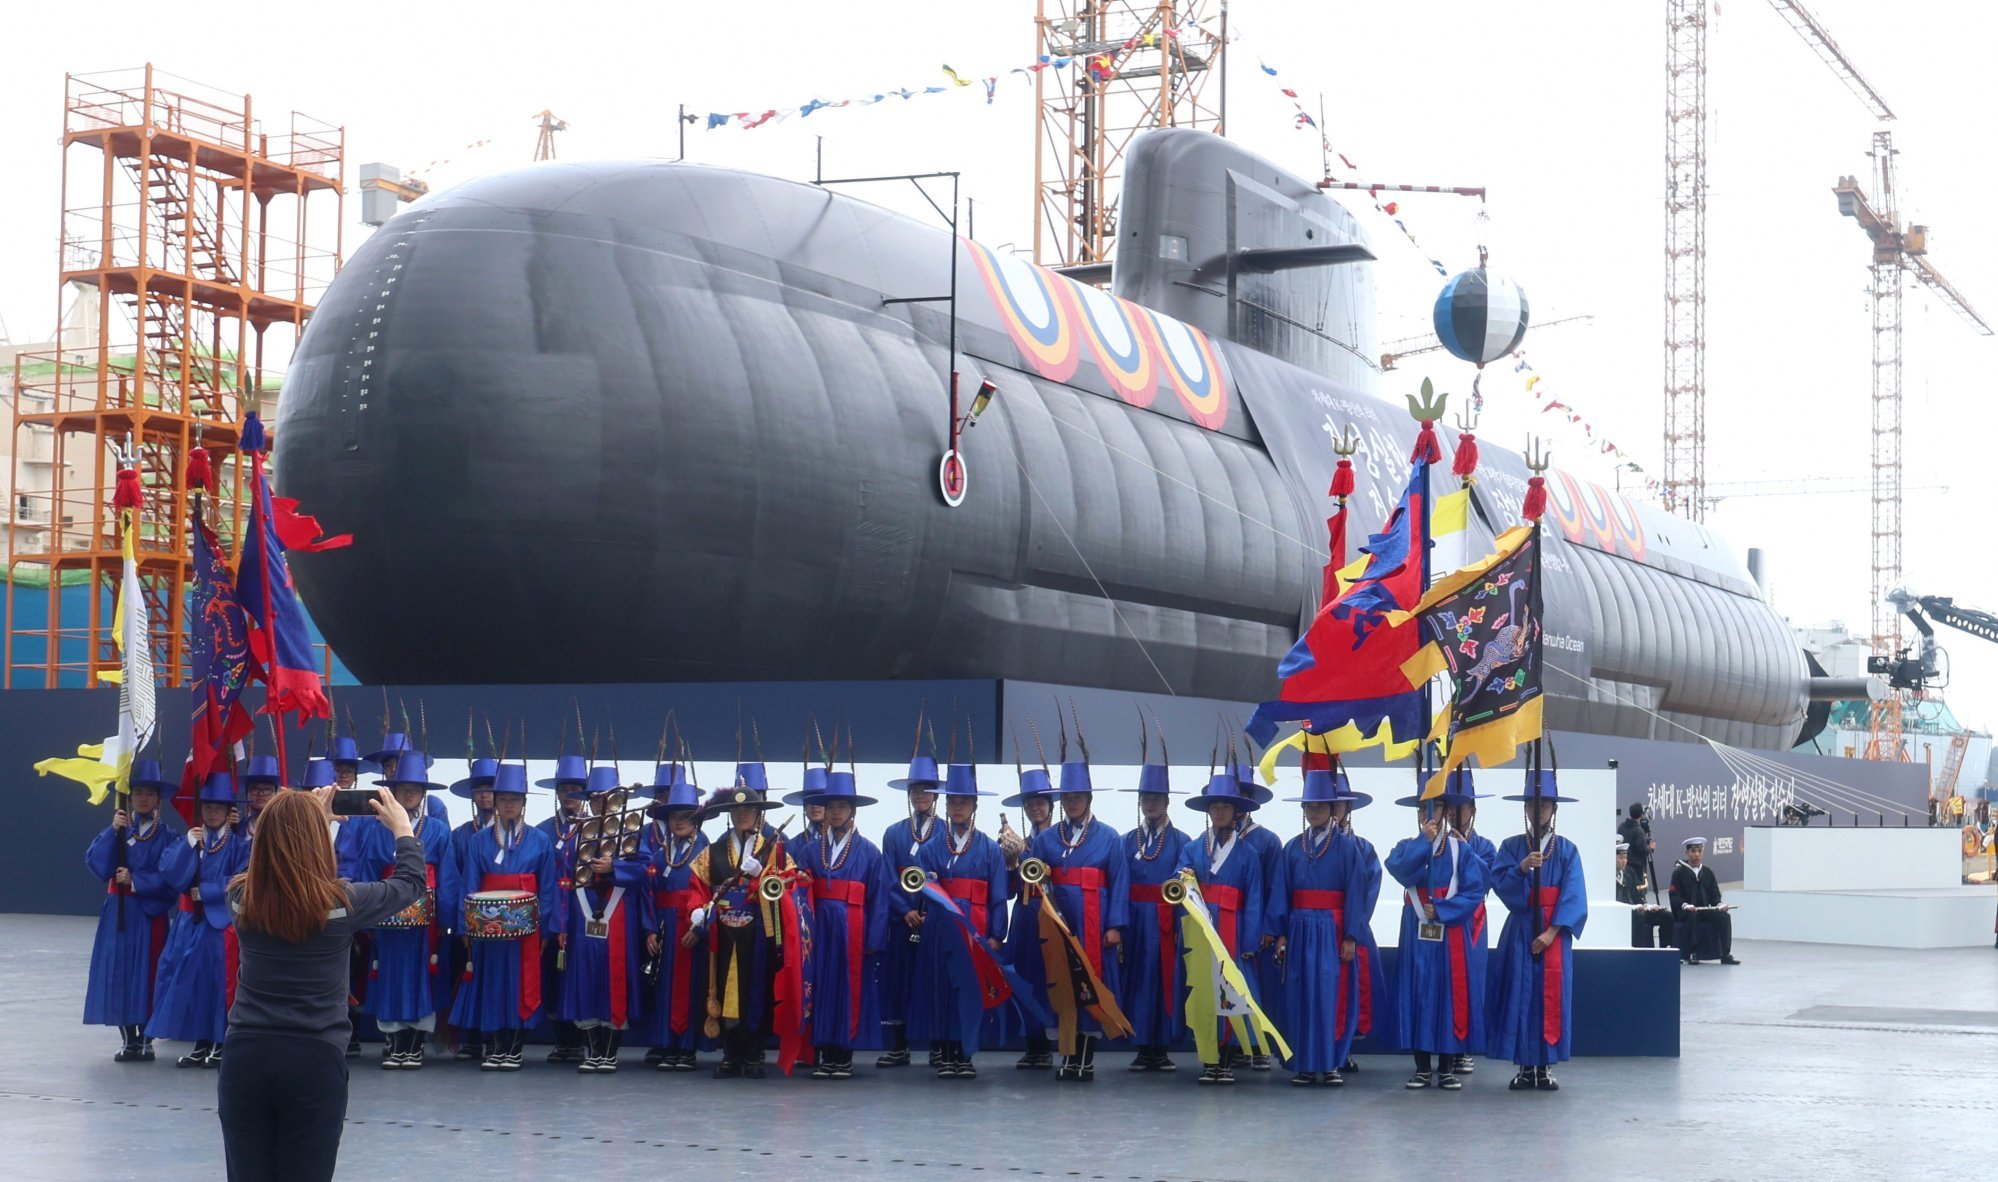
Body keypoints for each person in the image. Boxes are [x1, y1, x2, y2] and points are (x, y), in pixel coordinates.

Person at [218, 783, 424, 1182]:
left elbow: (266, 865)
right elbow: (410, 884)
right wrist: (402, 829)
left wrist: (305, 817)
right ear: (319, 840)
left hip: (245, 1058)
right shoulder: (344, 904)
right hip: (313, 1063)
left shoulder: (240, 898)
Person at [1270, 756, 1384, 1088]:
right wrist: (1279, 934)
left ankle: (1332, 1062)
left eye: (1321, 805)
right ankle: (1304, 1064)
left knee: (1333, 995)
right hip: (1300, 928)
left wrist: (1351, 935)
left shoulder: (1349, 849)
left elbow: (1356, 893)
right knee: (1301, 994)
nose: (1314, 811)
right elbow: (1281, 892)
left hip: (1334, 931)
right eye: (1310, 805)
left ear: (1333, 808)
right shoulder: (1292, 848)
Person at [448, 761, 565, 1070]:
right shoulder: (478, 841)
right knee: (491, 983)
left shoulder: (540, 841)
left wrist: (547, 930)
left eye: (515, 799)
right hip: (487, 926)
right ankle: (495, 1046)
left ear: (523, 803)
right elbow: (468, 883)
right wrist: (465, 927)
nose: (509, 804)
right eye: (503, 799)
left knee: (519, 984)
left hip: (526, 929)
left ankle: (514, 1047)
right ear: (495, 802)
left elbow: (549, 888)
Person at [1026, 730, 1129, 1082]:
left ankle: (1085, 1058)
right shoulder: (1046, 838)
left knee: (1091, 985)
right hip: (1058, 924)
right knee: (1062, 985)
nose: (1072, 802)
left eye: (1077, 796)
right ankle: (1065, 1057)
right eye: (1066, 796)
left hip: (1093, 923)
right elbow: (1034, 879)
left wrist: (1114, 926)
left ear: (1088, 798)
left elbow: (1119, 884)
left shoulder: (1110, 838)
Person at [359, 751, 462, 1070]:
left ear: (423, 794)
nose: (409, 795)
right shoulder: (375, 829)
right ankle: (393, 1042)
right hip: (386, 917)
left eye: (415, 790)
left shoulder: (438, 830)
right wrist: (366, 914)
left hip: (425, 924)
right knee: (387, 975)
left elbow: (447, 877)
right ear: (393, 790)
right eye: (403, 789)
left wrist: (446, 920)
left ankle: (414, 1043)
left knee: (422, 977)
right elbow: (367, 872)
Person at [1487, 768, 1588, 1091]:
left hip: (1553, 934)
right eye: (1532, 804)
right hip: (1520, 929)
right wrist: (1520, 868)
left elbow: (1574, 895)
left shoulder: (1568, 850)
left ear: (1553, 810)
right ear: (1525, 809)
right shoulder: (1512, 846)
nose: (1538, 810)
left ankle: (1544, 1067)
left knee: (1549, 998)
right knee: (1521, 995)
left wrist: (1552, 932)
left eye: (1544, 805)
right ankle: (1524, 1066)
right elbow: (1500, 884)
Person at [1385, 787, 1492, 1091]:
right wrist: (1424, 841)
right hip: (1417, 928)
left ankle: (1446, 1066)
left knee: (1448, 993)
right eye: (1422, 811)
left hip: (1449, 928)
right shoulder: (1408, 846)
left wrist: (1444, 909)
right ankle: (1421, 1066)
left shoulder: (1461, 851)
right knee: (1418, 992)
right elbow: (1400, 871)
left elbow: (1474, 892)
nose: (1427, 816)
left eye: (1433, 809)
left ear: (1445, 812)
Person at [909, 756, 1009, 1078]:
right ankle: (948, 1052)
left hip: (975, 931)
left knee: (970, 990)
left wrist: (996, 934)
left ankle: (966, 1055)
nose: (958, 807)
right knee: (943, 990)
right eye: (953, 801)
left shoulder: (990, 849)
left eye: (964, 801)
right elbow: (920, 889)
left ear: (975, 805)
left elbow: (998, 897)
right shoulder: (931, 847)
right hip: (940, 928)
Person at [684, 785, 793, 1078]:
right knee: (720, 986)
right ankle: (730, 1053)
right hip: (722, 932)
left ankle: (755, 1051)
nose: (742, 815)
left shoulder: (775, 848)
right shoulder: (714, 851)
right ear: (730, 814)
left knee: (756, 988)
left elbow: (791, 884)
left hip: (758, 933)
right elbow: (698, 889)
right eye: (737, 810)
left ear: (758, 814)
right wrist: (696, 910)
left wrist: (765, 875)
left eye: (748, 810)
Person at [147, 771, 250, 1068]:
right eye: (207, 807)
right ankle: (199, 1042)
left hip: (219, 926)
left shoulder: (239, 846)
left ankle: (220, 1043)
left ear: (229, 811)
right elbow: (170, 873)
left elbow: (242, 880)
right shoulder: (190, 840)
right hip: (187, 923)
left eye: (219, 807)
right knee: (191, 984)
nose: (212, 813)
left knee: (219, 984)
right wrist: (188, 845)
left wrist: (206, 892)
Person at [84, 759, 183, 1063]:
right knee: (121, 973)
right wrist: (112, 832)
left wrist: (137, 881)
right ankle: (129, 1039)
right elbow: (96, 862)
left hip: (148, 913)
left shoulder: (168, 836)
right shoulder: (117, 830)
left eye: (149, 793)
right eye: (137, 792)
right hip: (119, 911)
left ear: (157, 799)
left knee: (151, 972)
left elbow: (172, 875)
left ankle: (147, 1038)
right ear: (129, 798)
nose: (143, 798)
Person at [795, 766, 889, 1079]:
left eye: (842, 806)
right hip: (820, 928)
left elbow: (879, 898)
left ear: (852, 811)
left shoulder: (870, 852)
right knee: (820, 987)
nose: (835, 812)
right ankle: (823, 1051)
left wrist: (874, 940)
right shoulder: (809, 851)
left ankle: (843, 1054)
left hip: (853, 928)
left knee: (848, 988)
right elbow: (801, 894)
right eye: (831, 806)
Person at [1174, 767, 1266, 1085]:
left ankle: (1225, 1059)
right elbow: (1177, 884)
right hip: (1202, 929)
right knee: (1203, 992)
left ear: (1236, 811)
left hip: (1232, 928)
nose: (1220, 811)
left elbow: (1254, 898)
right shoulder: (1192, 848)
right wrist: (1182, 878)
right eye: (1214, 806)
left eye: (1225, 806)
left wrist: (1250, 940)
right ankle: (1208, 1060)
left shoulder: (1248, 854)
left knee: (1228, 993)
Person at [556, 763, 650, 1074]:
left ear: (619, 802)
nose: (602, 804)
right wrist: (561, 922)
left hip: (618, 913)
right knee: (584, 976)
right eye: (596, 799)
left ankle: (609, 1052)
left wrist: (614, 868)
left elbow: (644, 872)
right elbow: (562, 879)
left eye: (608, 799)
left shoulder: (633, 835)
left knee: (613, 977)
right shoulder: (574, 835)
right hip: (581, 916)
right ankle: (591, 1051)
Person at [878, 727, 948, 1068]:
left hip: (935, 922)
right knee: (899, 980)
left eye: (927, 790)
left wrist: (930, 912)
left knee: (935, 982)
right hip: (902, 922)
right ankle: (898, 1045)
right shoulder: (893, 833)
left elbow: (949, 880)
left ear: (936, 795)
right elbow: (887, 877)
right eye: (916, 789)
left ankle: (938, 1044)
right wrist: (905, 910)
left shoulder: (948, 833)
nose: (921, 795)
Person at [1121, 733, 1190, 1073]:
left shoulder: (1183, 842)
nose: (1151, 803)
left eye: (1156, 797)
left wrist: (1179, 924)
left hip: (1166, 924)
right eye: (1145, 797)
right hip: (1134, 920)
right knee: (1137, 981)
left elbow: (1186, 885)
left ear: (1166, 801)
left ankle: (1160, 1047)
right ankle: (1141, 1046)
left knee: (1164, 982)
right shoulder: (1125, 841)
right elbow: (1118, 885)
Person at [639, 761, 709, 1071]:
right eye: (673, 816)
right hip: (666, 926)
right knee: (664, 986)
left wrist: (701, 927)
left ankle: (687, 1048)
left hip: (691, 928)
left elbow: (712, 895)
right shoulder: (658, 855)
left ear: (697, 820)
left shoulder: (708, 853)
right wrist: (650, 929)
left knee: (690, 987)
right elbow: (648, 894)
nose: (679, 822)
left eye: (685, 816)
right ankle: (666, 1044)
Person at [997, 737, 1058, 1068]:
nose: (1036, 808)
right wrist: (1008, 861)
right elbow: (1007, 891)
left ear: (1051, 805)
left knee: (1051, 978)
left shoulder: (1061, 839)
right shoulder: (1018, 840)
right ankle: (1033, 1043)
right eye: (1030, 804)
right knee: (1025, 979)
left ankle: (1050, 1043)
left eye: (1041, 803)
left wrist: (1023, 852)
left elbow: (1055, 879)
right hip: (1023, 916)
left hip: (1049, 915)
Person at [534, 752, 592, 1064]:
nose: (569, 795)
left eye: (575, 789)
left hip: (586, 913)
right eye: (563, 789)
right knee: (553, 975)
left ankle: (585, 1041)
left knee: (581, 974)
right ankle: (563, 1042)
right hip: (551, 911)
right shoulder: (542, 831)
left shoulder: (598, 830)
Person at [1439, 769, 1496, 1079]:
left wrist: (1467, 850)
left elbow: (1488, 879)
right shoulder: (1438, 843)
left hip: (1472, 922)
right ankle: (1446, 1044)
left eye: (1462, 807)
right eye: (1451, 807)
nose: (1456, 814)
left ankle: (1465, 1048)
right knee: (1445, 984)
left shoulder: (1484, 845)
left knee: (1471, 982)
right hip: (1444, 922)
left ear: (1473, 809)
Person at [1230, 772, 1285, 1070]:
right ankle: (1235, 1042)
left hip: (1257, 924)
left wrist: (1269, 928)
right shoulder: (1214, 840)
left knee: (1258, 986)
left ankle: (1259, 1045)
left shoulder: (1267, 840)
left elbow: (1277, 887)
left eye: (1244, 797)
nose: (1239, 804)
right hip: (1227, 921)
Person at [1670, 837, 1739, 965]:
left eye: (1700, 851)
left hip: (1704, 910)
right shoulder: (1679, 873)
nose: (1697, 855)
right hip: (1686, 911)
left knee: (1724, 917)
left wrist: (1720, 905)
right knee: (1692, 916)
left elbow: (1715, 895)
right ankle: (1693, 952)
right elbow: (1674, 896)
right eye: (1693, 851)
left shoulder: (1708, 872)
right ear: (1687, 853)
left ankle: (1725, 954)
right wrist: (1685, 905)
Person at [1618, 842, 1671, 948]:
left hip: (1637, 909)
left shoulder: (1629, 873)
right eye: (1621, 858)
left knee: (1666, 915)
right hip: (1623, 913)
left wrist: (1649, 906)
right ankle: (1643, 951)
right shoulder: (1607, 877)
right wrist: (1635, 907)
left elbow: (1638, 897)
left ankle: (1664, 950)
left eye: (1626, 857)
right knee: (1640, 916)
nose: (1624, 861)